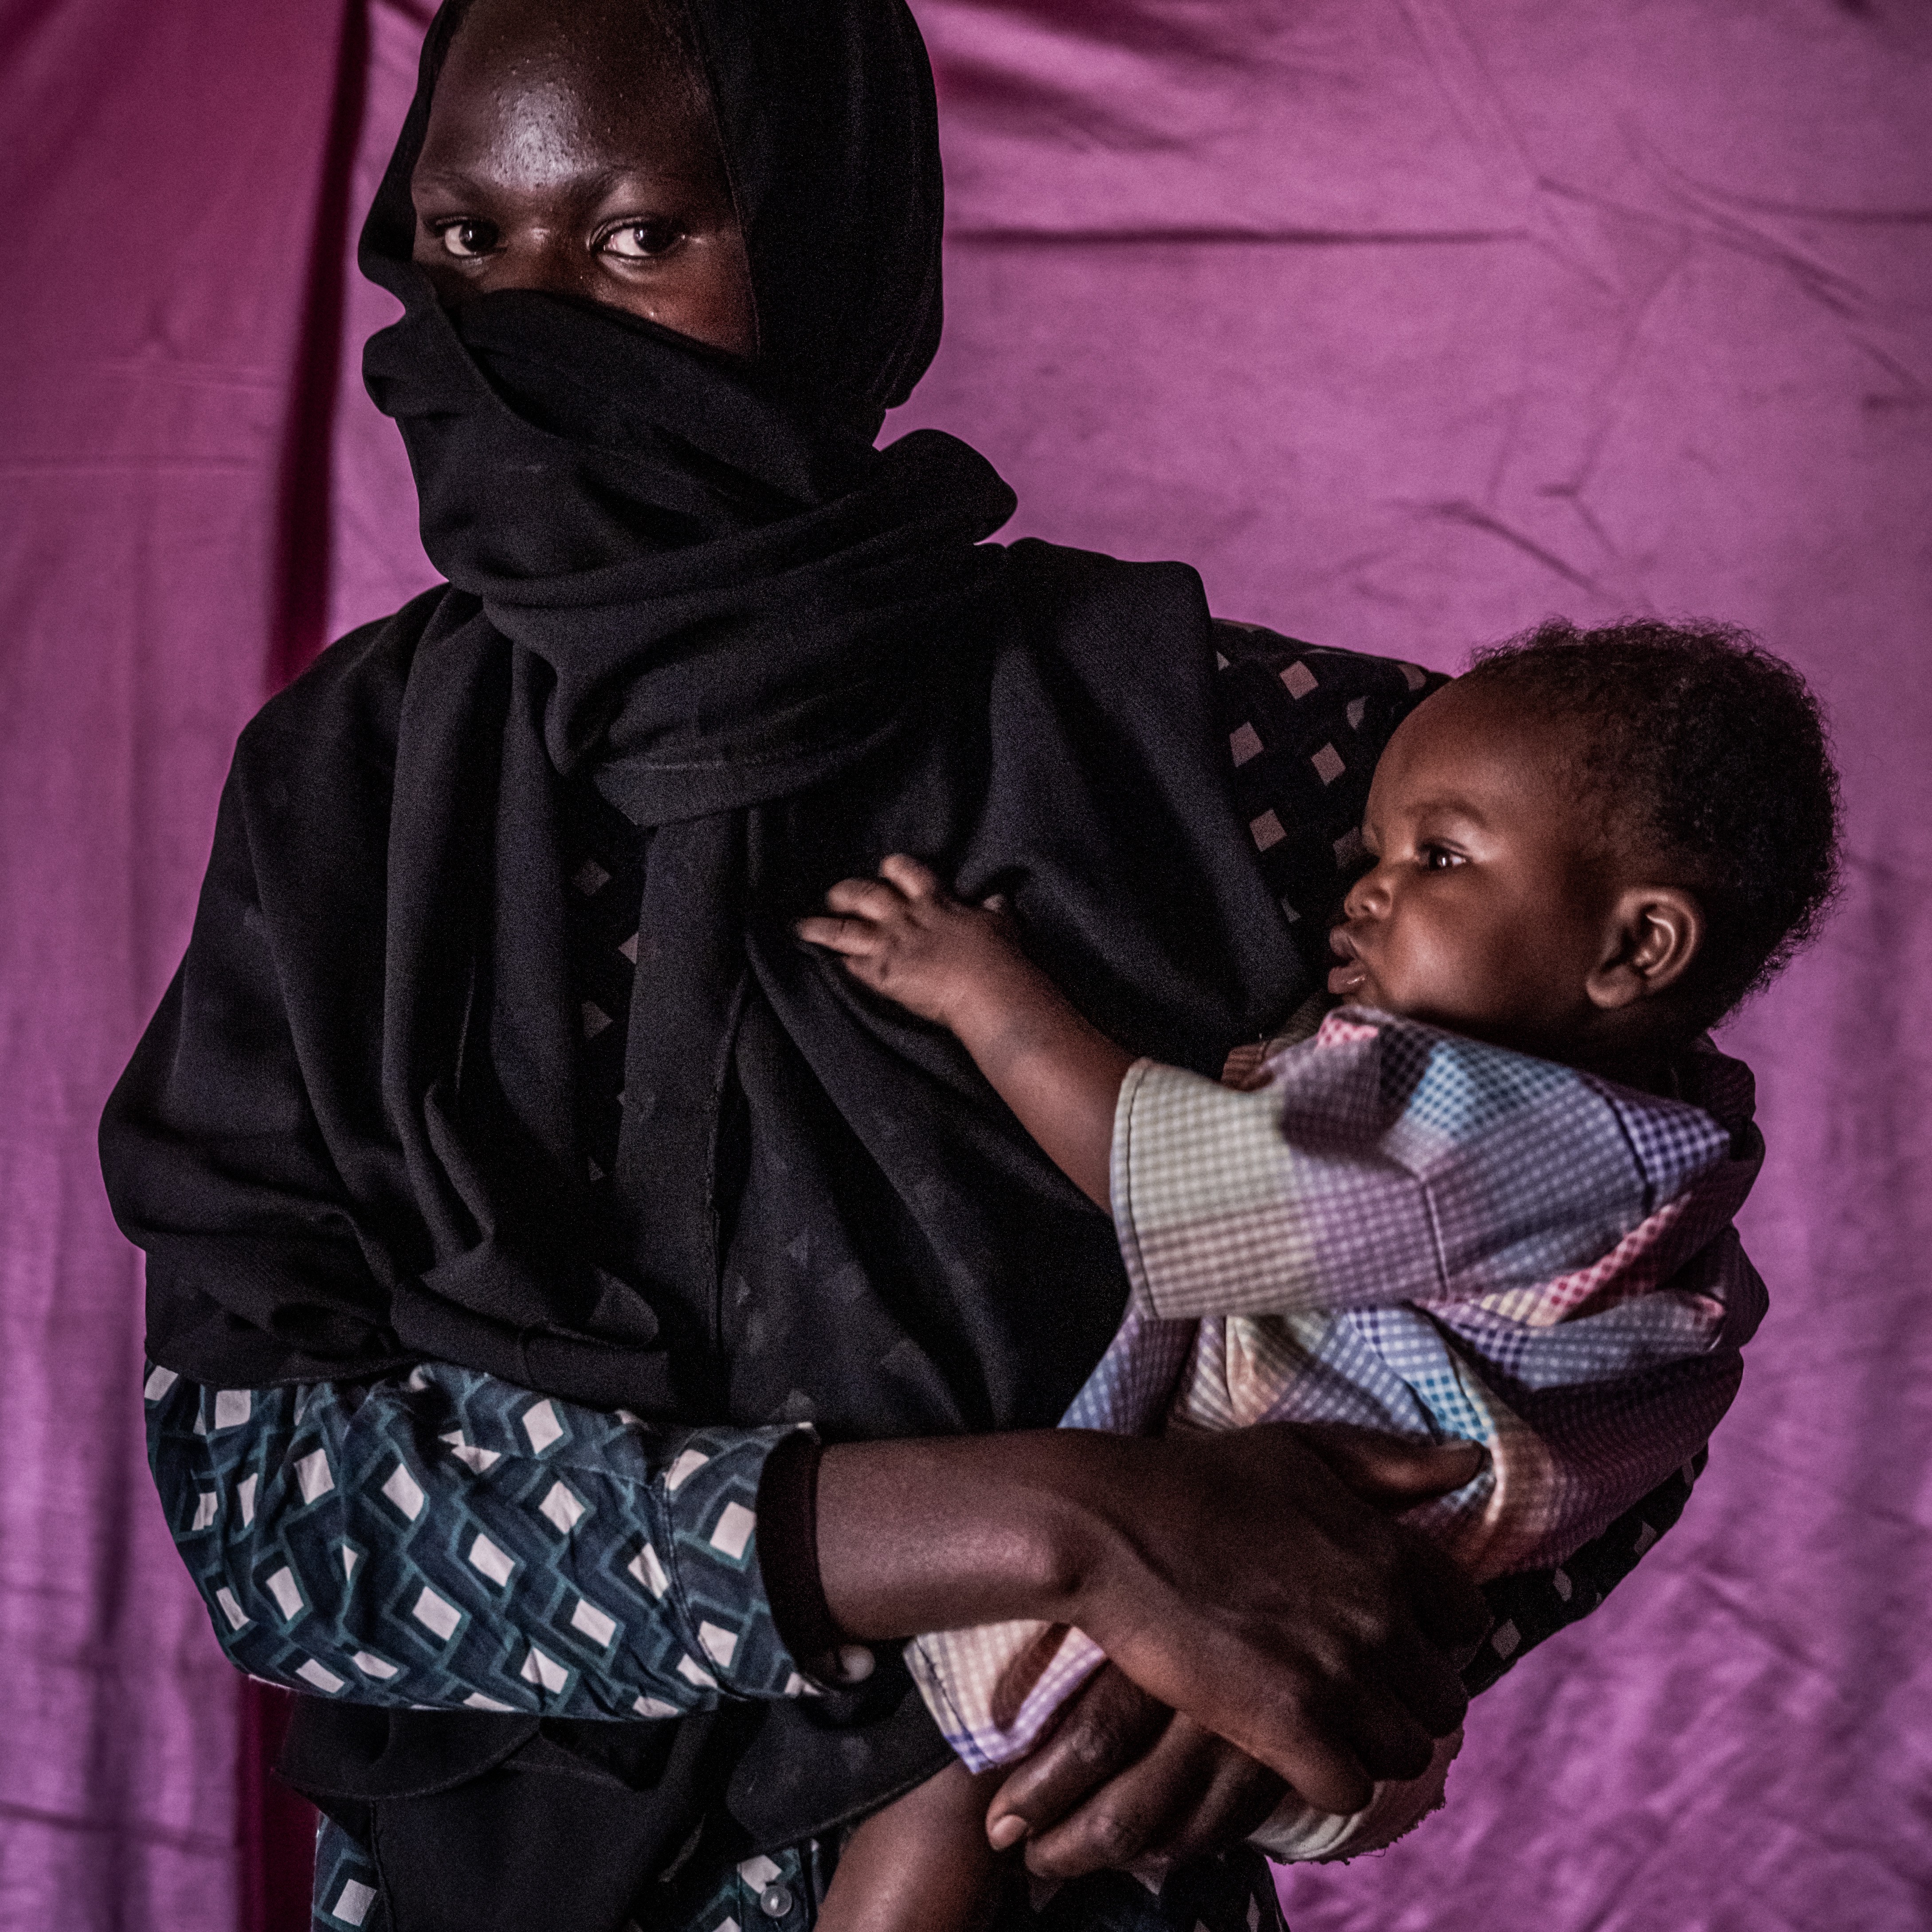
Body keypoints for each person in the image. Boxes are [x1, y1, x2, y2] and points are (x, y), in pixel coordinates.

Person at [98, 3, 1731, 1927]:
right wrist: (1060, 1524)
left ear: (833, 241)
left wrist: (1384, 1613)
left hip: (1062, 1873)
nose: (525, 327)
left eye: (635, 238)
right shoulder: (348, 795)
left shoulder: (1196, 747)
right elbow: (275, 1510)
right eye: (466, 241)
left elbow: (1606, 1207)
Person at [799, 620, 1838, 1931]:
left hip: (1250, 1613)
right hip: (1368, 1684)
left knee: (940, 1804)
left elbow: (1165, 1175)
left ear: (1635, 952)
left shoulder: (1484, 1123)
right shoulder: (1669, 1145)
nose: (1368, 890)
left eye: (1440, 857)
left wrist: (976, 987)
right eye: (1379, 854)